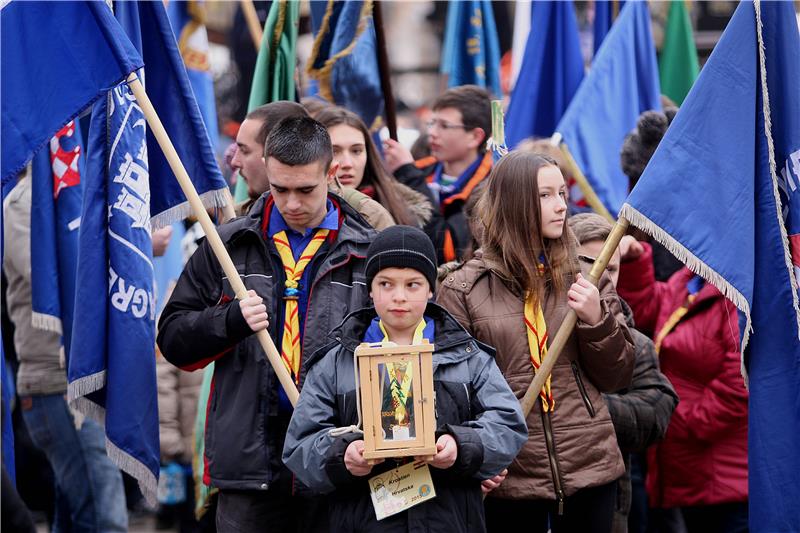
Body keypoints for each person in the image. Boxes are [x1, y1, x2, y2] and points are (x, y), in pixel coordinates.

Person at [157, 116, 378, 532]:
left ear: (331, 175)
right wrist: (228, 322)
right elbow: (172, 339)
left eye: (305, 190)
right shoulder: (227, 246)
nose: (291, 203)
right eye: (280, 189)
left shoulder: (369, 251)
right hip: (249, 462)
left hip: (338, 458)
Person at [436, 151, 636, 533]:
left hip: (587, 465)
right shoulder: (462, 288)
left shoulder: (586, 276)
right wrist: (475, 457)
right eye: (545, 196)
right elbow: (451, 395)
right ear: (513, 202)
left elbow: (618, 376)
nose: (561, 206)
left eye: (562, 193)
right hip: (509, 472)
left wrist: (596, 320)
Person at [282, 225, 527, 532]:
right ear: (370, 289)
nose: (399, 296)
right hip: (364, 520)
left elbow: (508, 424)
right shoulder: (336, 361)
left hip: (448, 519)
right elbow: (300, 445)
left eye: (412, 284)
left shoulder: (468, 356)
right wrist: (342, 456)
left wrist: (461, 446)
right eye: (386, 284)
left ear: (430, 289)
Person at [3, 170, 128, 532]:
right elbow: (54, 278)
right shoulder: (23, 203)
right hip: (57, 382)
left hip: (81, 378)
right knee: (105, 518)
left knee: (77, 516)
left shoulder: (71, 193)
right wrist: (129, 249)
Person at [616, 235, 748, 533]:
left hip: (724, 471)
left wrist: (683, 424)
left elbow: (739, 380)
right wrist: (635, 261)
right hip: (691, 467)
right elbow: (645, 310)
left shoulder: (737, 295)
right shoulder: (688, 281)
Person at [569, 213, 679, 533]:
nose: (599, 277)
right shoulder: (533, 335)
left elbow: (656, 412)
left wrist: (587, 407)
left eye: (610, 267)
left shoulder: (635, 342)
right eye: (586, 264)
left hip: (607, 506)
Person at [383, 85, 494, 263]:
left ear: (475, 137)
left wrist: (408, 175)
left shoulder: (493, 185)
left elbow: (448, 252)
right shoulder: (419, 170)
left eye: (444, 125)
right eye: (432, 123)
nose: (432, 133)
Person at [316, 106, 434, 229]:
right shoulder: (300, 211)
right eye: (334, 151)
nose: (347, 163)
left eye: (356, 151)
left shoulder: (402, 209)